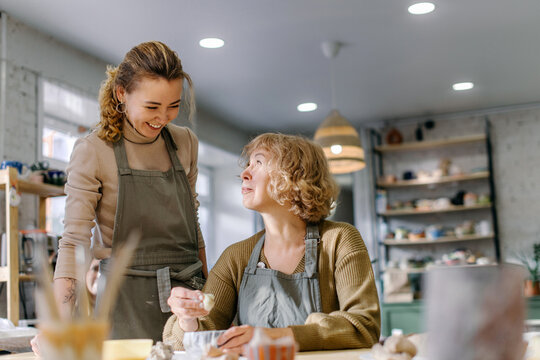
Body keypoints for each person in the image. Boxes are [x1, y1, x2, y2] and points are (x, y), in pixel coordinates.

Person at [37, 41, 208, 348]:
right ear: (121, 94)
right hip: (123, 307)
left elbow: (193, 229)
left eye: (174, 106)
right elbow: (75, 241)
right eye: (152, 106)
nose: (164, 117)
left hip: (185, 306)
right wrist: (59, 327)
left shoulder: (186, 143)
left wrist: (209, 303)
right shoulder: (94, 151)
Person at [164, 133, 380, 353]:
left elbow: (363, 327)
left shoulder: (340, 240)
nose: (244, 174)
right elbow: (192, 340)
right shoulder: (236, 256)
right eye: (247, 165)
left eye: (258, 163)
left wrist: (276, 337)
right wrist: (187, 319)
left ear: (296, 175)